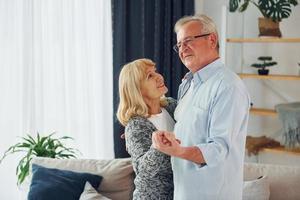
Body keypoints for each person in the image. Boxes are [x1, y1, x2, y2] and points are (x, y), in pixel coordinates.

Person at [152, 14, 250, 200]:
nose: (182, 49)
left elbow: (218, 150)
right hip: (184, 193)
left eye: (188, 41)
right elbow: (186, 130)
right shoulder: (188, 84)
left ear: (211, 40)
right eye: (179, 45)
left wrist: (178, 151)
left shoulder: (228, 86)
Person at [116, 58, 176, 200]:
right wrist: (159, 147)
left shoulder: (171, 106)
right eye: (149, 76)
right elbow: (142, 169)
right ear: (137, 90)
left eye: (155, 71)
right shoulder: (136, 125)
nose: (159, 77)